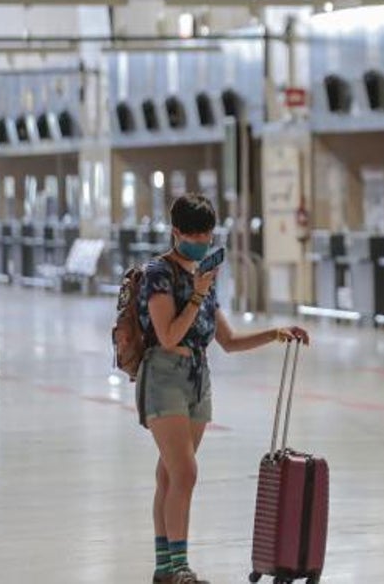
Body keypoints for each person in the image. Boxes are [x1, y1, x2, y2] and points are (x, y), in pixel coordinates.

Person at [137, 194, 310, 584]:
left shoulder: (205, 276)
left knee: (170, 474)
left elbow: (228, 341)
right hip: (165, 375)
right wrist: (197, 293)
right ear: (175, 232)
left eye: (206, 235)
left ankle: (165, 568)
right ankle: (179, 566)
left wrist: (275, 332)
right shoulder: (158, 273)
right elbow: (167, 335)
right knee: (185, 472)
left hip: (198, 377)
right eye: (193, 235)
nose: (200, 242)